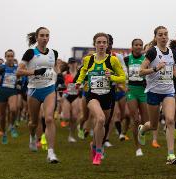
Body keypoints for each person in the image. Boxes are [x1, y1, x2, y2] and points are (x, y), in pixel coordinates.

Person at [76, 32, 125, 165]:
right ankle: (98, 151)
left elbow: (123, 77)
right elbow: (83, 71)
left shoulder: (112, 60)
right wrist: (79, 82)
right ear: (94, 44)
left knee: (103, 123)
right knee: (100, 118)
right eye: (99, 42)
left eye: (104, 42)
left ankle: (94, 144)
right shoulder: (88, 59)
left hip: (107, 95)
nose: (102, 45)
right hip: (92, 95)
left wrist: (112, 77)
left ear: (107, 45)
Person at [138, 26, 176, 165]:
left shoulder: (171, 52)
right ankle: (142, 128)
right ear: (156, 37)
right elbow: (141, 71)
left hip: (168, 91)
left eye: (165, 34)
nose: (163, 37)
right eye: (160, 35)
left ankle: (170, 155)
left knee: (170, 120)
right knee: (153, 125)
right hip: (153, 92)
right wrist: (156, 68)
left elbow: (173, 67)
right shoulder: (152, 52)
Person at [17, 27, 59, 163]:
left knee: (49, 119)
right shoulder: (30, 53)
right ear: (37, 37)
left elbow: (54, 69)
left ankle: (51, 153)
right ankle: (32, 136)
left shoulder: (54, 53)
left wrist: (57, 76)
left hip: (49, 89)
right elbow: (19, 71)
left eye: (47, 35)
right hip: (34, 91)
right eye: (42, 35)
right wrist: (34, 72)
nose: (45, 38)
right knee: (33, 122)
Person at [124, 38, 149, 156]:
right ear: (132, 47)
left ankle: (142, 133)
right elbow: (121, 73)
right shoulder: (127, 59)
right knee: (135, 119)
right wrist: (124, 86)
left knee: (145, 121)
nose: (138, 47)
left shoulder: (146, 59)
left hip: (143, 91)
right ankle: (138, 148)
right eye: (136, 45)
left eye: (140, 45)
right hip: (132, 91)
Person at [0, 49, 19, 144]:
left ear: (14, 57)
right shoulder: (0, 67)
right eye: (8, 56)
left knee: (13, 109)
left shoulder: (17, 68)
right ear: (5, 57)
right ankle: (4, 132)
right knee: (2, 116)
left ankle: (12, 125)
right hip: (2, 92)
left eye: (11, 56)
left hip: (12, 92)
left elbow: (22, 77)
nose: (10, 58)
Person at [61, 57, 81, 142]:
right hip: (66, 96)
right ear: (68, 64)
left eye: (74, 63)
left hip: (75, 96)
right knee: (66, 118)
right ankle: (62, 115)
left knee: (75, 117)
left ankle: (71, 135)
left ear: (76, 64)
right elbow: (60, 85)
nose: (73, 64)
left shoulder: (80, 74)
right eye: (71, 63)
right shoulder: (64, 74)